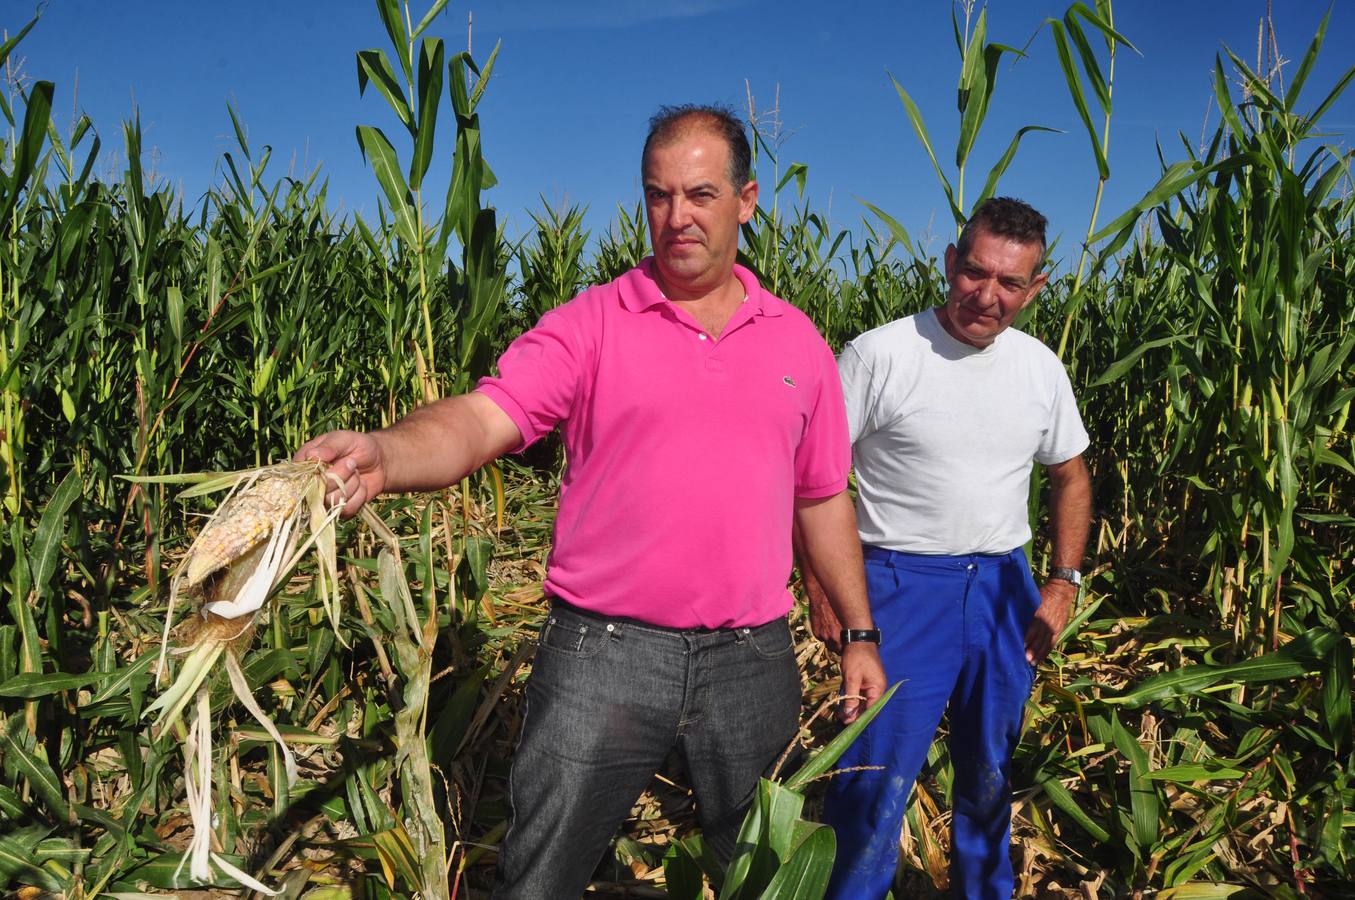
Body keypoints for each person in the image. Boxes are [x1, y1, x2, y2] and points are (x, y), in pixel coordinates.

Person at [296, 104, 886, 900]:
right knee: (542, 876)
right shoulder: (592, 324)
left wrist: (856, 632)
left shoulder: (798, 344)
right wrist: (386, 454)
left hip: (752, 660)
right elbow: (480, 418)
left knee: (764, 875)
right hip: (602, 655)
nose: (676, 217)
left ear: (746, 200)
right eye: (658, 195)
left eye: (701, 195)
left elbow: (821, 499)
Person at [805, 197, 1092, 899]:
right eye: (974, 272)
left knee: (989, 772)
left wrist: (1061, 583)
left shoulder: (1039, 369)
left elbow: (1070, 475)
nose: (986, 296)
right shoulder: (879, 354)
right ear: (948, 262)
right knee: (873, 780)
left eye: (1009, 283)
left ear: (1035, 288)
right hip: (898, 587)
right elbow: (813, 479)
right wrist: (822, 594)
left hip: (1002, 591)